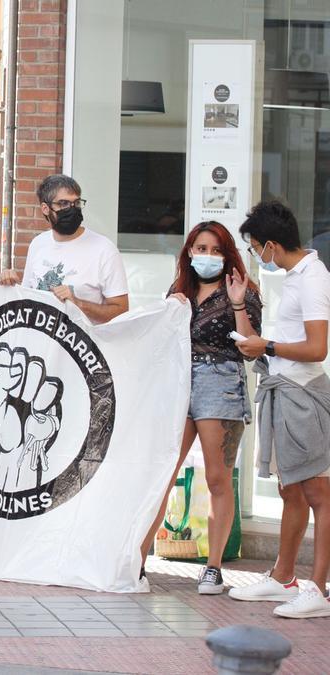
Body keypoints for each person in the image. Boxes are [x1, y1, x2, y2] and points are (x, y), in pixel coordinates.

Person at [138, 221, 262, 595]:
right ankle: (137, 560)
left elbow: (250, 344)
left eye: (215, 249)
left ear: (227, 254)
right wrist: (167, 310)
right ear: (189, 251)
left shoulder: (242, 290)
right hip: (178, 381)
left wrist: (238, 301)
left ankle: (213, 568)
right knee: (162, 472)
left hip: (220, 380)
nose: (207, 256)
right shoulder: (179, 290)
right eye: (200, 248)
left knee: (217, 478)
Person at [231, 200, 330, 619]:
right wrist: (239, 304)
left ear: (271, 244)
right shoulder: (293, 276)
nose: (256, 255)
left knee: (319, 494)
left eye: (255, 248)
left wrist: (267, 346)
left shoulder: (313, 279)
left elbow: (317, 348)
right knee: (291, 491)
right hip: (285, 390)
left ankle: (318, 590)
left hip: (304, 395)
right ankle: (283, 576)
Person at [0, 174, 129, 324]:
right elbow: (29, 299)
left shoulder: (104, 250)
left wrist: (78, 303)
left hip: (83, 345)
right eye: (63, 203)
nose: (71, 209)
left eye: (76, 203)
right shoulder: (38, 244)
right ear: (46, 209)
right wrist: (10, 284)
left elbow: (121, 311)